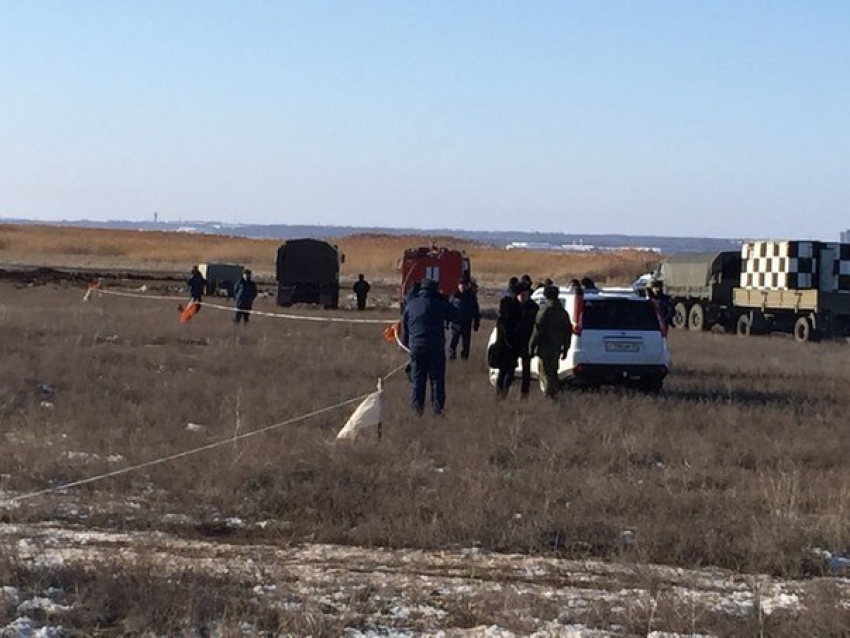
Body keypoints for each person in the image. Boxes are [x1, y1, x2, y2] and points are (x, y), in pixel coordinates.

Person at [401, 278, 456, 416]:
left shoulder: (412, 304)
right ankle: (438, 410)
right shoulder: (438, 304)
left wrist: (405, 343)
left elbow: (405, 326)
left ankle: (416, 411)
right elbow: (455, 314)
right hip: (435, 347)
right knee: (436, 379)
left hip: (416, 348)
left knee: (417, 379)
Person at [530, 285, 573, 398]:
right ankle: (554, 393)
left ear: (545, 296)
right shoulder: (563, 313)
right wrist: (566, 348)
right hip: (557, 347)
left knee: (545, 373)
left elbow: (537, 331)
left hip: (545, 348)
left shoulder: (544, 311)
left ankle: (550, 395)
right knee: (553, 371)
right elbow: (568, 332)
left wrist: (531, 346)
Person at [515, 282, 539, 397]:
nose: (523, 297)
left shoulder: (533, 307)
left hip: (527, 341)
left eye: (526, 294)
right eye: (521, 295)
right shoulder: (512, 306)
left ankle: (525, 392)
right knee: (509, 367)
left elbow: (537, 326)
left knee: (526, 369)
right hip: (513, 341)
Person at [493, 296, 521, 398]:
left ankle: (499, 394)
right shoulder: (511, 320)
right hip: (509, 349)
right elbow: (509, 335)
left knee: (502, 372)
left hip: (501, 349)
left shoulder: (501, 319)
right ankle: (503, 393)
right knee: (508, 373)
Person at [448, 277, 480, 361]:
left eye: (463, 285)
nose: (462, 287)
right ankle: (451, 359)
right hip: (455, 324)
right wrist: (446, 321)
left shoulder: (471, 297)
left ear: (467, 286)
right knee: (452, 344)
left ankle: (464, 360)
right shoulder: (454, 296)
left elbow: (475, 311)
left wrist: (476, 323)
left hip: (466, 323)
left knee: (466, 345)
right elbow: (448, 309)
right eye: (460, 285)